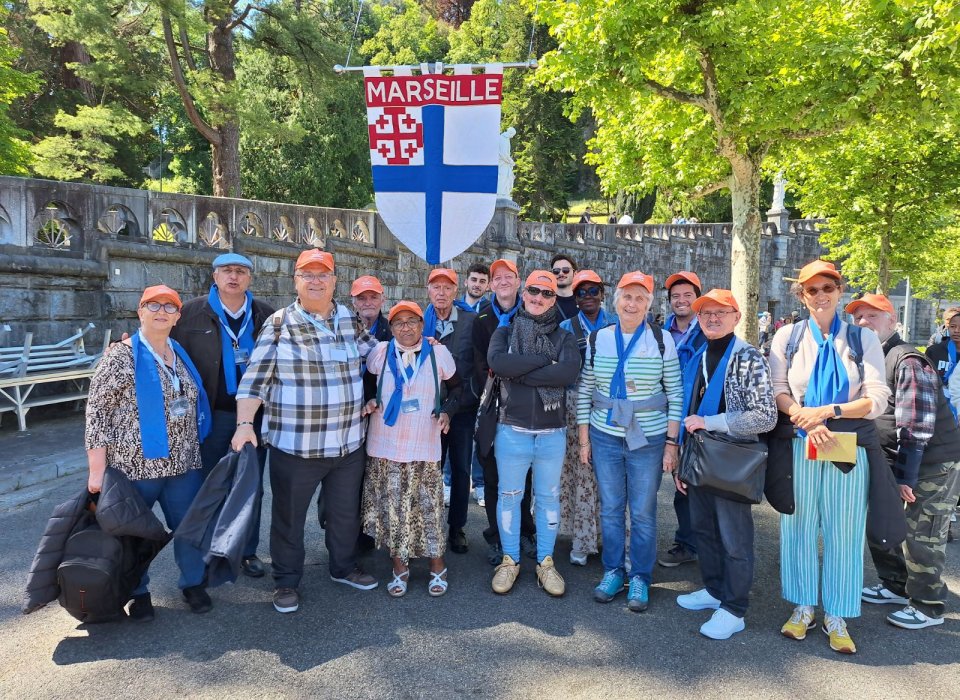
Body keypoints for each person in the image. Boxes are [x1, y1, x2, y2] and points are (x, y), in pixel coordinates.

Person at [231, 249, 379, 614]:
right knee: (289, 518)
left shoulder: (349, 318)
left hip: (348, 445)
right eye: (307, 274)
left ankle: (342, 567)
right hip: (296, 447)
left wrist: (422, 348)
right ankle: (286, 581)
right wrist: (245, 424)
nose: (316, 280)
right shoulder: (280, 323)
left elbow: (378, 355)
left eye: (323, 274)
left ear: (334, 281)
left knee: (345, 515)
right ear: (295, 280)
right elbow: (254, 380)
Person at [769, 260, 890, 654]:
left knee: (844, 530)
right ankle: (803, 607)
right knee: (799, 525)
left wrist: (829, 412)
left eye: (827, 288)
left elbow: (876, 400)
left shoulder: (862, 339)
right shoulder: (787, 336)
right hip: (801, 440)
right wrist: (805, 416)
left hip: (845, 444)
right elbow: (779, 390)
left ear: (840, 292)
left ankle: (836, 613)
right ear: (802, 296)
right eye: (812, 290)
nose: (820, 296)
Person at [85, 285, 213, 620]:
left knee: (189, 527)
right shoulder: (118, 357)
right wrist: (96, 471)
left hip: (183, 463)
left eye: (169, 307)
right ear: (140, 311)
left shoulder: (179, 351)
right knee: (133, 533)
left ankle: (193, 583)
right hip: (134, 466)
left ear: (178, 316)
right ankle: (138, 591)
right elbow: (97, 415)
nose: (161, 311)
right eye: (152, 305)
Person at [847, 294, 960, 629]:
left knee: (921, 535)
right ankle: (895, 585)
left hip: (931, 464)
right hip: (892, 462)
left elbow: (916, 424)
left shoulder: (907, 359)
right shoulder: (870, 357)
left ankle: (928, 606)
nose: (863, 322)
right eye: (858, 317)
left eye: (872, 316)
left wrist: (905, 476)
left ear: (892, 320)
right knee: (884, 527)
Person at [674, 289, 777, 639]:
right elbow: (689, 409)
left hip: (732, 460)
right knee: (704, 531)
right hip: (702, 458)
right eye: (706, 314)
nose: (712, 319)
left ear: (736, 317)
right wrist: (682, 461)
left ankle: (734, 608)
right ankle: (715, 589)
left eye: (721, 312)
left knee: (735, 539)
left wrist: (712, 423)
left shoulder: (748, 357)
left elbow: (765, 417)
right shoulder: (700, 354)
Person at [578, 271, 684, 612]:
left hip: (648, 438)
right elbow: (586, 390)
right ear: (616, 300)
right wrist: (583, 441)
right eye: (627, 296)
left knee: (642, 510)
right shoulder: (599, 339)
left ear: (649, 304)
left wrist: (671, 442)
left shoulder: (662, 340)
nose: (632, 303)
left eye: (640, 297)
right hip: (604, 435)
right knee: (610, 508)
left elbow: (675, 394)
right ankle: (612, 570)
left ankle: (639, 575)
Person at [171, 253, 274, 579]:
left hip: (255, 414)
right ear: (214, 276)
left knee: (250, 484)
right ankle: (210, 546)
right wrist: (127, 343)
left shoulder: (266, 315)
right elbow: (159, 342)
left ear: (249, 278)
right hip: (210, 414)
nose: (234, 277)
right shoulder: (190, 314)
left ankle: (246, 550)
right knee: (209, 484)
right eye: (227, 271)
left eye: (241, 272)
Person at [488, 270, 580, 595]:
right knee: (509, 498)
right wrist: (544, 364)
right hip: (511, 431)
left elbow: (568, 372)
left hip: (551, 433)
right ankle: (510, 560)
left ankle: (545, 562)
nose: (539, 298)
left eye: (547, 293)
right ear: (523, 293)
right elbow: (499, 364)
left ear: (555, 298)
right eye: (533, 291)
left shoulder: (565, 338)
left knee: (547, 500)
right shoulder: (506, 330)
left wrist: (522, 371)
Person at [361, 301, 461, 598]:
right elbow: (365, 382)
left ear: (422, 325)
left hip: (424, 446)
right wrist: (369, 400)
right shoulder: (380, 353)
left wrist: (448, 412)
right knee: (394, 511)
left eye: (412, 321)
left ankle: (437, 566)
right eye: (399, 322)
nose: (406, 327)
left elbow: (458, 388)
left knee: (428, 509)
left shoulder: (438, 354)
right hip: (385, 446)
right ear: (390, 328)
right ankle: (399, 567)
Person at [473, 258, 537, 564]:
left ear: (518, 280)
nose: (502, 281)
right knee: (493, 475)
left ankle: (525, 531)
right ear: (490, 284)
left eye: (507, 276)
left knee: (523, 475)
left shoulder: (531, 313)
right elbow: (475, 363)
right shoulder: (482, 316)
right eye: (496, 278)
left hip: (523, 406)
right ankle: (496, 536)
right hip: (491, 406)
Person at [559, 270, 616, 566]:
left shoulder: (618, 324)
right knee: (581, 474)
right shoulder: (565, 327)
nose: (588, 297)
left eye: (593, 291)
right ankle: (582, 538)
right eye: (581, 293)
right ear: (575, 298)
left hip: (611, 407)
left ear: (602, 294)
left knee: (610, 474)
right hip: (574, 406)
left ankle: (612, 538)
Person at [422, 268, 478, 555]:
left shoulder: (470, 320)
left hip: (463, 408)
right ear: (428, 290)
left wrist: (464, 400)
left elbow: (478, 366)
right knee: (429, 469)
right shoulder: (420, 321)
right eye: (436, 287)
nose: (441, 293)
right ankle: (428, 525)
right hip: (429, 410)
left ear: (456, 291)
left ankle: (456, 528)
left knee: (460, 468)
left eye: (447, 287)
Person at [658, 271, 707, 569]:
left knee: (694, 483)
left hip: (696, 415)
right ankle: (688, 541)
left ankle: (695, 543)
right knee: (676, 483)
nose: (681, 300)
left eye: (688, 294)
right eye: (676, 295)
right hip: (664, 415)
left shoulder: (709, 330)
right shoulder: (660, 333)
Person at [925, 307, 960, 415]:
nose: (957, 331)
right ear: (947, 327)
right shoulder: (934, 351)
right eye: (953, 327)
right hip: (937, 407)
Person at [351, 275, 392, 341]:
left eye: (374, 297)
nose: (368, 303)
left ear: (382, 301)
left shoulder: (393, 331)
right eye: (361, 298)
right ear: (354, 303)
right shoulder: (343, 329)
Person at [550, 254, 580, 321]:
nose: (561, 273)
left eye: (566, 270)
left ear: (575, 274)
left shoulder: (583, 302)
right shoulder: (546, 301)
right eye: (556, 271)